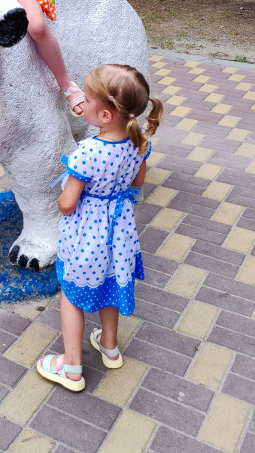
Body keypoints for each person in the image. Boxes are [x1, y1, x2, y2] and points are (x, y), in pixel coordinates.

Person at [37, 64, 163, 392]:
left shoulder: (88, 152)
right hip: (119, 233)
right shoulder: (140, 142)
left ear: (105, 115)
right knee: (109, 285)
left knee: (72, 296)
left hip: (86, 235)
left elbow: (67, 204)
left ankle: (72, 367)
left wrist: (64, 196)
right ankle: (109, 346)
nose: (82, 105)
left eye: (88, 100)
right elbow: (138, 181)